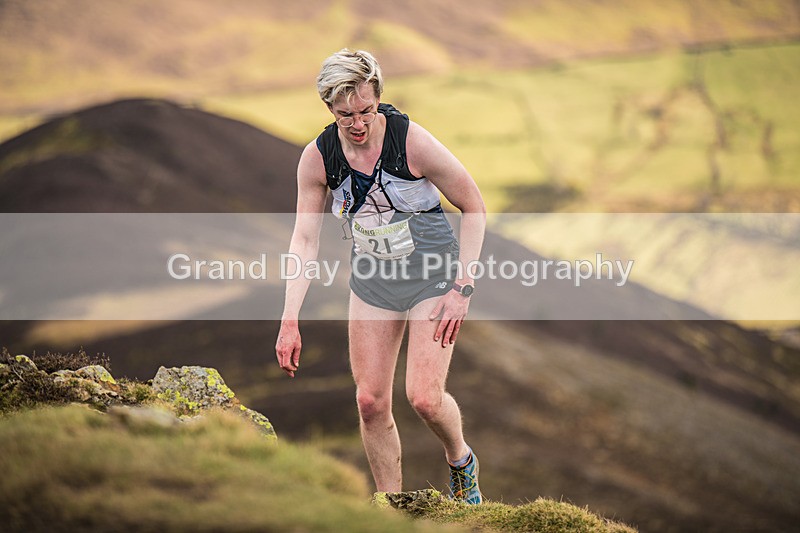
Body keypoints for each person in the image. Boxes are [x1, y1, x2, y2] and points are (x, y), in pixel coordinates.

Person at [275, 49, 486, 504]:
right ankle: (390, 507)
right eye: (345, 114)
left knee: (424, 398)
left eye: (366, 111)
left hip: (433, 275)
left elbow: (474, 206)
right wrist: (289, 318)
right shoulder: (318, 159)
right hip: (374, 277)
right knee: (370, 402)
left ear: (378, 99)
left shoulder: (413, 142)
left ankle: (461, 462)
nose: (358, 123)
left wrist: (462, 288)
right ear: (329, 106)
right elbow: (304, 240)